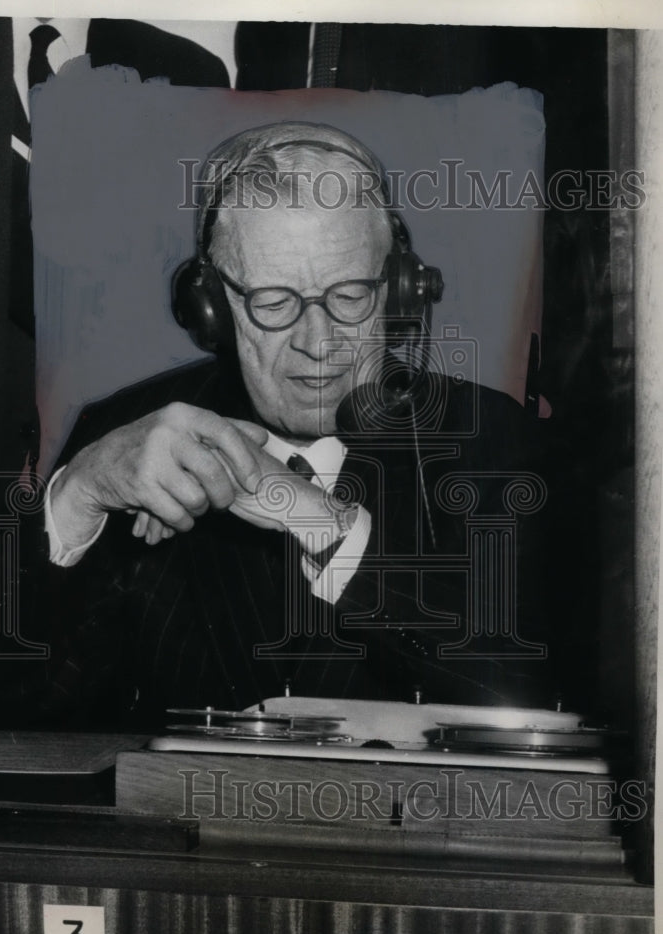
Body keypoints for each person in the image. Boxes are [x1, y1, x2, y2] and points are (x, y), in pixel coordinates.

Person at [41, 121, 551, 729]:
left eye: (350, 296)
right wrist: (77, 496)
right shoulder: (125, 438)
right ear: (209, 308)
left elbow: (534, 699)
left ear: (400, 290)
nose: (318, 343)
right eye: (274, 303)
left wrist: (318, 521)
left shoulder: (494, 441)